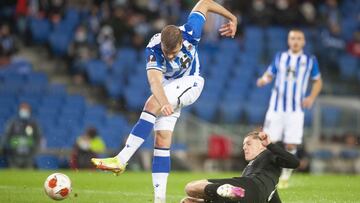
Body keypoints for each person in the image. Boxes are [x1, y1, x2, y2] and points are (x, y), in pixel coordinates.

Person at [91, 1, 238, 202]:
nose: (169, 56)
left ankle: (121, 159)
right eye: (166, 51)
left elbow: (204, 2)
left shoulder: (191, 31)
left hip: (192, 83)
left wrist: (232, 17)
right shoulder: (153, 49)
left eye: (174, 52)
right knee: (161, 139)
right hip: (168, 90)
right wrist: (164, 101)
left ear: (181, 42)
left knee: (151, 105)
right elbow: (154, 81)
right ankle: (159, 200)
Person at [256, 29, 323, 188]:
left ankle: (285, 175)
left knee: (291, 145)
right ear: (288, 41)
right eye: (293, 38)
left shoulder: (310, 60)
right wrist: (264, 80)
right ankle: (263, 173)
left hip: (295, 110)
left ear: (303, 42)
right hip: (276, 108)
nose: (295, 41)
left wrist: (311, 97)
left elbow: (318, 81)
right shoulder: (280, 57)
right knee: (266, 141)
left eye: (299, 38)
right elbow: (270, 73)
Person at [181, 130, 300, 203]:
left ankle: (220, 189)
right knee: (187, 201)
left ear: (262, 145)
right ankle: (224, 192)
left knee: (190, 187)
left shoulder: (268, 153)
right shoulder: (267, 181)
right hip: (254, 198)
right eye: (243, 145)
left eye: (248, 143)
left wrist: (270, 145)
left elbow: (294, 163)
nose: (244, 147)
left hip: (248, 186)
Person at [0, 103, 42, 168]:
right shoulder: (13, 123)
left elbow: (38, 138)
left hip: (29, 156)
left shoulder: (33, 124)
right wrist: (12, 145)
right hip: (14, 156)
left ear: (29, 111)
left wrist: (33, 149)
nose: (24, 111)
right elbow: (6, 137)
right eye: (23, 109)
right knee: (14, 175)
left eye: (26, 109)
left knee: (28, 175)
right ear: (19, 110)